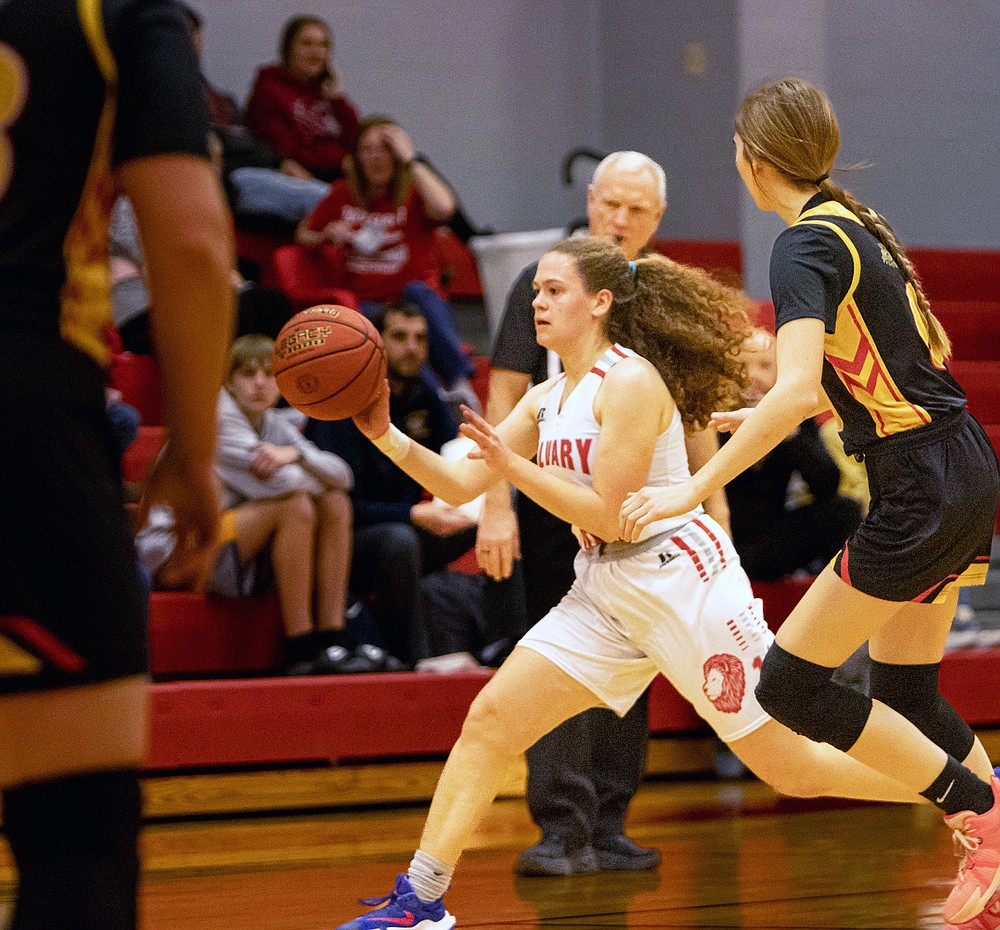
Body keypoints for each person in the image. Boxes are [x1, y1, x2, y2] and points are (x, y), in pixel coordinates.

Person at [336, 236, 943, 930]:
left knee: (794, 769)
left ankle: (971, 798)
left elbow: (612, 517)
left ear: (599, 302)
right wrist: (384, 434)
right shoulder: (545, 396)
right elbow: (462, 480)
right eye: (535, 291)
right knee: (490, 723)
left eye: (553, 290)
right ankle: (422, 900)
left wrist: (514, 466)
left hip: (684, 581)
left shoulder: (628, 382)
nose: (537, 301)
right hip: (605, 589)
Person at [618, 77, 1000, 929]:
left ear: (754, 162)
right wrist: (790, 405)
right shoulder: (858, 228)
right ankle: (994, 835)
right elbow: (895, 371)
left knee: (789, 685)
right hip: (961, 467)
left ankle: (984, 818)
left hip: (919, 485)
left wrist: (693, 484)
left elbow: (795, 392)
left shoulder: (801, 246)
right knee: (909, 697)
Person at [0, 1, 235, 927]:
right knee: (75, 850)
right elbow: (191, 239)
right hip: (26, 425)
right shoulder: (111, 12)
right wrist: (194, 452)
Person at [479, 150, 726, 876]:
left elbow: (694, 409)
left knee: (632, 660)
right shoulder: (549, 278)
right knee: (556, 661)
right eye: (611, 204)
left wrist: (713, 505)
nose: (620, 220)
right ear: (589, 199)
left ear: (658, 220)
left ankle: (611, 823)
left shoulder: (661, 293)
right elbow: (503, 393)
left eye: (637, 211)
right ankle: (560, 828)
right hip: (559, 500)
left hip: (644, 510)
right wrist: (496, 509)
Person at [308, 302, 523, 666]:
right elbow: (337, 506)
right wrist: (412, 514)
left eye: (420, 338)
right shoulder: (342, 403)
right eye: (400, 337)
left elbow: (449, 463)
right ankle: (411, 659)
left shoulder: (425, 397)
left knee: (502, 518)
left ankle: (508, 641)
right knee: (399, 541)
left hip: (412, 528)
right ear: (375, 345)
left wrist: (467, 505)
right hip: (347, 544)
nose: (412, 347)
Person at [137, 335, 360, 675]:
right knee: (296, 504)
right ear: (229, 381)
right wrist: (304, 466)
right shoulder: (216, 419)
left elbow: (343, 478)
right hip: (173, 553)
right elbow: (285, 484)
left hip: (221, 542)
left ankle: (332, 637)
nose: (259, 382)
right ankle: (299, 647)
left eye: (270, 374)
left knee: (335, 503)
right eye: (248, 373)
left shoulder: (273, 423)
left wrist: (296, 454)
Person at [295, 116, 479, 410]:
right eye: (367, 150)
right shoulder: (342, 193)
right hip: (367, 302)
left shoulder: (412, 193)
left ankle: (459, 383)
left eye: (384, 149)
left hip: (411, 298)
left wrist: (412, 158)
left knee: (418, 298)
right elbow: (304, 234)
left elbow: (445, 208)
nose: (375, 157)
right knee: (387, 327)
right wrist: (326, 234)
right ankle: (436, 401)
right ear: (356, 158)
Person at [725, 328, 863, 581]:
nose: (752, 377)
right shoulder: (707, 418)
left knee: (845, 511)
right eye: (741, 367)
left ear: (781, 372)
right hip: (721, 542)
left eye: (764, 365)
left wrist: (791, 434)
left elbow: (827, 486)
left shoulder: (793, 412)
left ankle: (843, 595)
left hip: (771, 541)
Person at [245, 15, 360, 184]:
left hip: (342, 173)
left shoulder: (327, 93)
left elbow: (358, 139)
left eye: (323, 45)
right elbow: (284, 145)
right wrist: (342, 161)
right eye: (307, 44)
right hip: (305, 177)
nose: (316, 53)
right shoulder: (269, 88)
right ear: (288, 49)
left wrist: (337, 99)